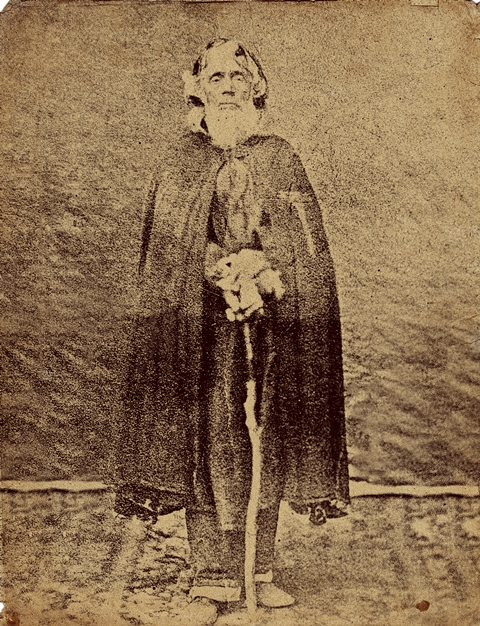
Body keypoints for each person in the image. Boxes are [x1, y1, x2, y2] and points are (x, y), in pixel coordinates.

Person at [114, 39, 349, 626]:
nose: (226, 87)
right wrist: (220, 272)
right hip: (201, 330)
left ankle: (258, 571)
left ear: (255, 87)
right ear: (197, 88)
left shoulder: (280, 156)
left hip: (273, 325)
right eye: (215, 77)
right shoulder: (181, 160)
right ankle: (211, 579)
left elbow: (307, 245)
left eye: (237, 77)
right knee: (212, 443)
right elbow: (168, 249)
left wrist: (266, 272)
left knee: (269, 440)